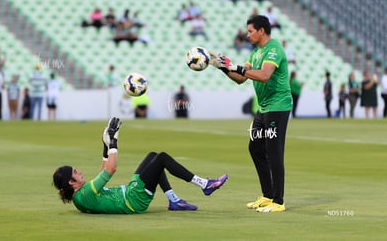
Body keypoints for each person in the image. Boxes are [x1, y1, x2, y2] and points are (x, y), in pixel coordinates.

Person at [52, 117, 228, 213]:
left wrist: (106, 145)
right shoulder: (85, 194)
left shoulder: (81, 196)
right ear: (70, 182)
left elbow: (102, 172)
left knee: (153, 156)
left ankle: (174, 201)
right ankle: (205, 185)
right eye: (75, 172)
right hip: (133, 200)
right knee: (162, 158)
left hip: (130, 193)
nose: (80, 171)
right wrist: (114, 141)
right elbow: (110, 169)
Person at [209, 15, 292, 212]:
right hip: (263, 108)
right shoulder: (256, 53)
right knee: (255, 148)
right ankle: (267, 195)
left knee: (274, 152)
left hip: (278, 106)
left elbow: (264, 76)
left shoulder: (274, 49)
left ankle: (278, 201)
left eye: (250, 31)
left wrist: (235, 66)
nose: (247, 35)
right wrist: (221, 66)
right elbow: (240, 78)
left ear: (261, 30)